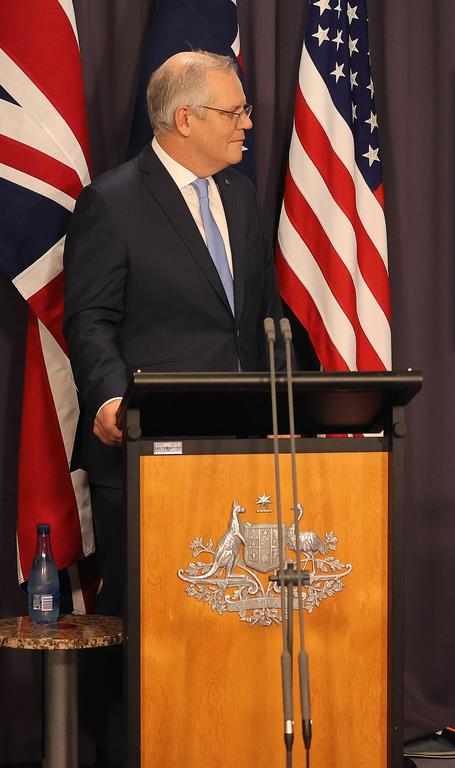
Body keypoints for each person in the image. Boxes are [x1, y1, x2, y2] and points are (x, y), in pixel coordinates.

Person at [62, 50, 285, 766]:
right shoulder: (113, 201)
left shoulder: (242, 197)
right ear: (184, 117)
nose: (248, 123)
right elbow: (89, 320)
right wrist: (106, 397)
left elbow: (253, 322)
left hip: (241, 449)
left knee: (234, 622)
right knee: (152, 628)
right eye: (235, 111)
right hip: (145, 454)